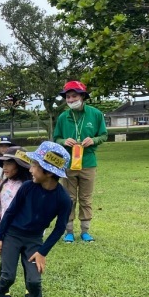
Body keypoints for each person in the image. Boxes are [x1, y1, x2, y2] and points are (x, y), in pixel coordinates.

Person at [0, 141, 71, 297]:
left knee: (34, 281)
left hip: (34, 241)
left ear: (48, 172)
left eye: (34, 165)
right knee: (7, 277)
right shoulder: (26, 188)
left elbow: (59, 228)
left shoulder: (63, 199)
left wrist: (42, 252)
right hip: (12, 236)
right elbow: (11, 211)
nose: (30, 169)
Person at [52, 80, 108, 243]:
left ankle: (85, 231)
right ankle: (68, 231)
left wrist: (94, 140)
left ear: (83, 96)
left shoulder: (95, 114)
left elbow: (104, 135)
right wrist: (63, 141)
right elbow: (56, 137)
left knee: (86, 197)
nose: (70, 100)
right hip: (68, 164)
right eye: (68, 97)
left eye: (74, 96)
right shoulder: (63, 117)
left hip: (88, 163)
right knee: (69, 198)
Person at [0, 145, 32, 297]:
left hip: (28, 233)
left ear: (20, 165)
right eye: (3, 164)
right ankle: (5, 291)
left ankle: (29, 288)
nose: (4, 168)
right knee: (6, 263)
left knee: (28, 260)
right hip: (6, 232)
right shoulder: (1, 184)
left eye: (8, 163)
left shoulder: (31, 185)